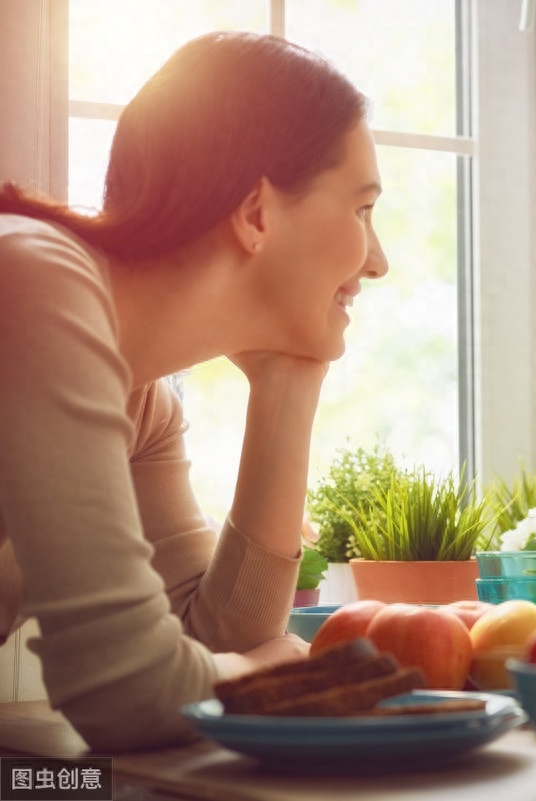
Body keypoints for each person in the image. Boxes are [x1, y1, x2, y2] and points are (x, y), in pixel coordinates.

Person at [0, 31, 388, 750]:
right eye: (362, 210)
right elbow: (133, 692)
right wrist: (273, 671)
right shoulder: (33, 281)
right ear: (256, 213)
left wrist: (287, 384)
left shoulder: (139, 403)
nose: (380, 261)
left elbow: (208, 635)